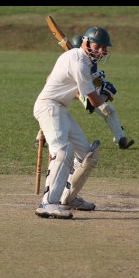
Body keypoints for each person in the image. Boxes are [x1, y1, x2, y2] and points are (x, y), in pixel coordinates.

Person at [33, 27, 113, 219]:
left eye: (104, 48)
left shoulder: (76, 58)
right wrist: (106, 94)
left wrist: (94, 89)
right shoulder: (79, 63)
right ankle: (48, 203)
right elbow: (94, 102)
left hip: (60, 108)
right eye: (97, 46)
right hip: (49, 107)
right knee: (62, 150)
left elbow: (52, 79)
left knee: (87, 156)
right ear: (85, 42)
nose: (101, 51)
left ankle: (67, 198)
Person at [33, 35, 135, 150]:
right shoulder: (73, 61)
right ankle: (41, 136)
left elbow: (89, 86)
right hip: (67, 97)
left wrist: (99, 86)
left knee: (108, 109)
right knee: (53, 111)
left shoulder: (91, 62)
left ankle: (121, 139)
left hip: (85, 93)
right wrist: (82, 95)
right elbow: (49, 79)